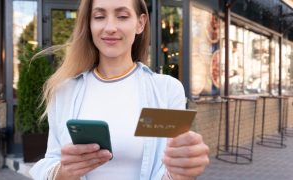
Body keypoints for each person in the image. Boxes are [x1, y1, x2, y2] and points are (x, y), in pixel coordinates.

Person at [29, 0, 209, 179]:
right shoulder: (64, 90)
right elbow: (51, 160)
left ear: (140, 23)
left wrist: (181, 171)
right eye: (99, 17)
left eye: (122, 16)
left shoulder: (167, 90)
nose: (110, 27)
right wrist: (63, 173)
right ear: (89, 24)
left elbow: (171, 167)